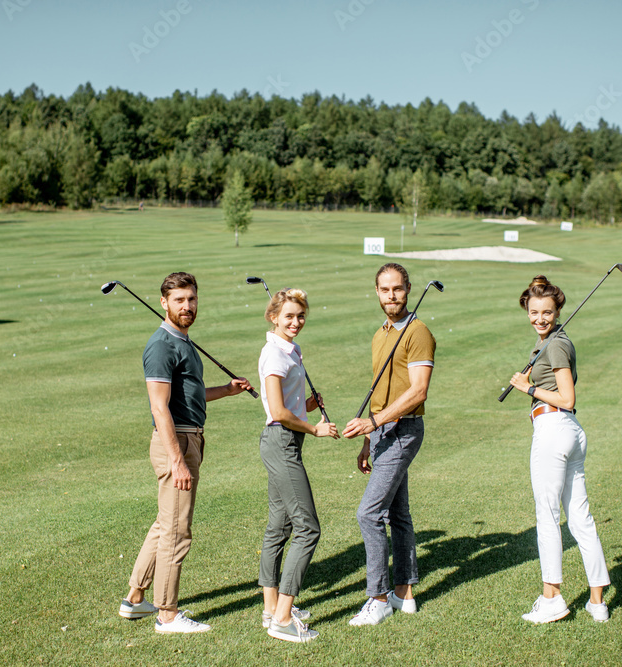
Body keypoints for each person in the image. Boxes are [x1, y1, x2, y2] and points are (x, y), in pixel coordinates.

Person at [118, 272, 253, 634]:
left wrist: (226, 390)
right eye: (179, 300)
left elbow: (188, 396)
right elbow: (160, 407)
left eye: (191, 299)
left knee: (165, 524)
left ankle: (135, 599)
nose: (187, 306)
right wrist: (178, 460)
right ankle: (167, 614)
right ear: (164, 302)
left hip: (188, 436)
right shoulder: (162, 346)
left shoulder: (183, 342)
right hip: (175, 441)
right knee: (178, 530)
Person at [508, 275, 611, 624]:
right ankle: (597, 603)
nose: (540, 318)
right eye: (534, 312)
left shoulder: (555, 345)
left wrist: (527, 389)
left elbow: (567, 398)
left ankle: (551, 597)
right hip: (568, 432)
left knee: (548, 516)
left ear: (557, 310)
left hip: (554, 427)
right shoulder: (553, 341)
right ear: (527, 309)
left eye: (547, 312)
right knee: (580, 519)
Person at [343, 263, 436, 626]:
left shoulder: (418, 332)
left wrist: (374, 423)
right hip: (382, 431)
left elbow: (418, 391)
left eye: (397, 289)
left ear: (408, 289)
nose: (391, 296)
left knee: (368, 513)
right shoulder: (381, 334)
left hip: (404, 429)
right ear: (377, 292)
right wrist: (369, 438)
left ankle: (377, 598)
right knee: (398, 514)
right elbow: (380, 393)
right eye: (384, 290)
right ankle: (404, 593)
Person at [257, 288, 339, 643]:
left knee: (280, 526)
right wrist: (314, 428)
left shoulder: (290, 350)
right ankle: (283, 619)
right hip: (282, 443)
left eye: (301, 316)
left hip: (282, 441)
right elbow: (277, 413)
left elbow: (287, 405)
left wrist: (305, 403)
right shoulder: (275, 354)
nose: (295, 322)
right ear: (273, 316)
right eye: (288, 316)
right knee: (308, 529)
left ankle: (271, 607)